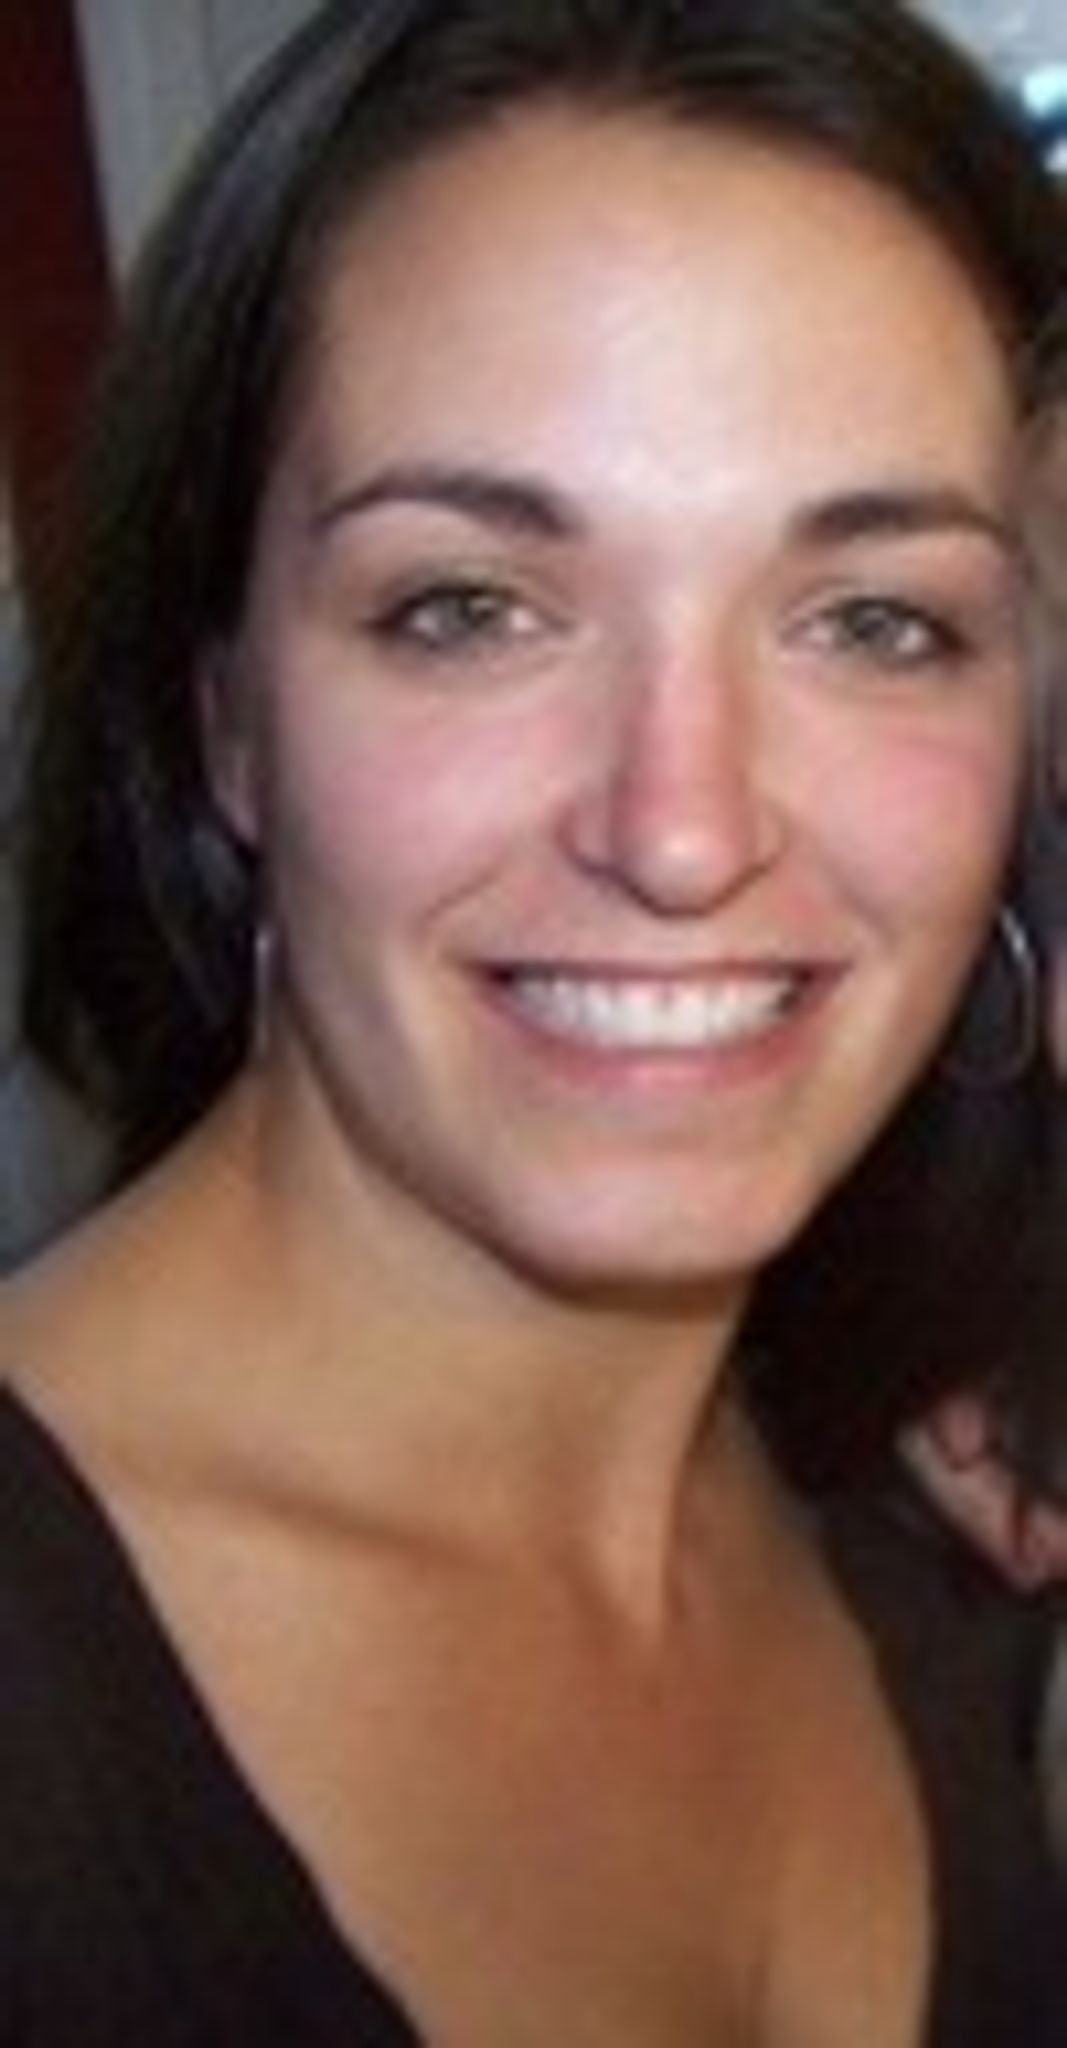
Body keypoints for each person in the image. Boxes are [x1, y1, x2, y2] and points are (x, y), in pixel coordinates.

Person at [2, 0, 1066, 2040]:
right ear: (229, 717)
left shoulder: (911, 1503)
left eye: (876, 620)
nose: (681, 829)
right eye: (468, 607)